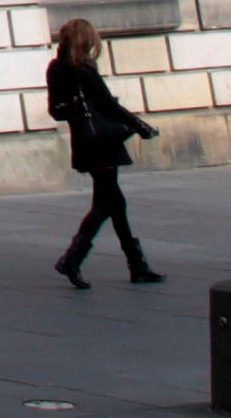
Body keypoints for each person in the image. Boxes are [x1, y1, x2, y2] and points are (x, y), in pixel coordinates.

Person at [45, 19, 165, 286]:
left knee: (116, 203)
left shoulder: (55, 68)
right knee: (104, 204)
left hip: (85, 139)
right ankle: (72, 259)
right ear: (86, 40)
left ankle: (137, 265)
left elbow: (55, 110)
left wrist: (74, 108)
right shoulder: (85, 69)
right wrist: (141, 125)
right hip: (103, 141)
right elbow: (109, 106)